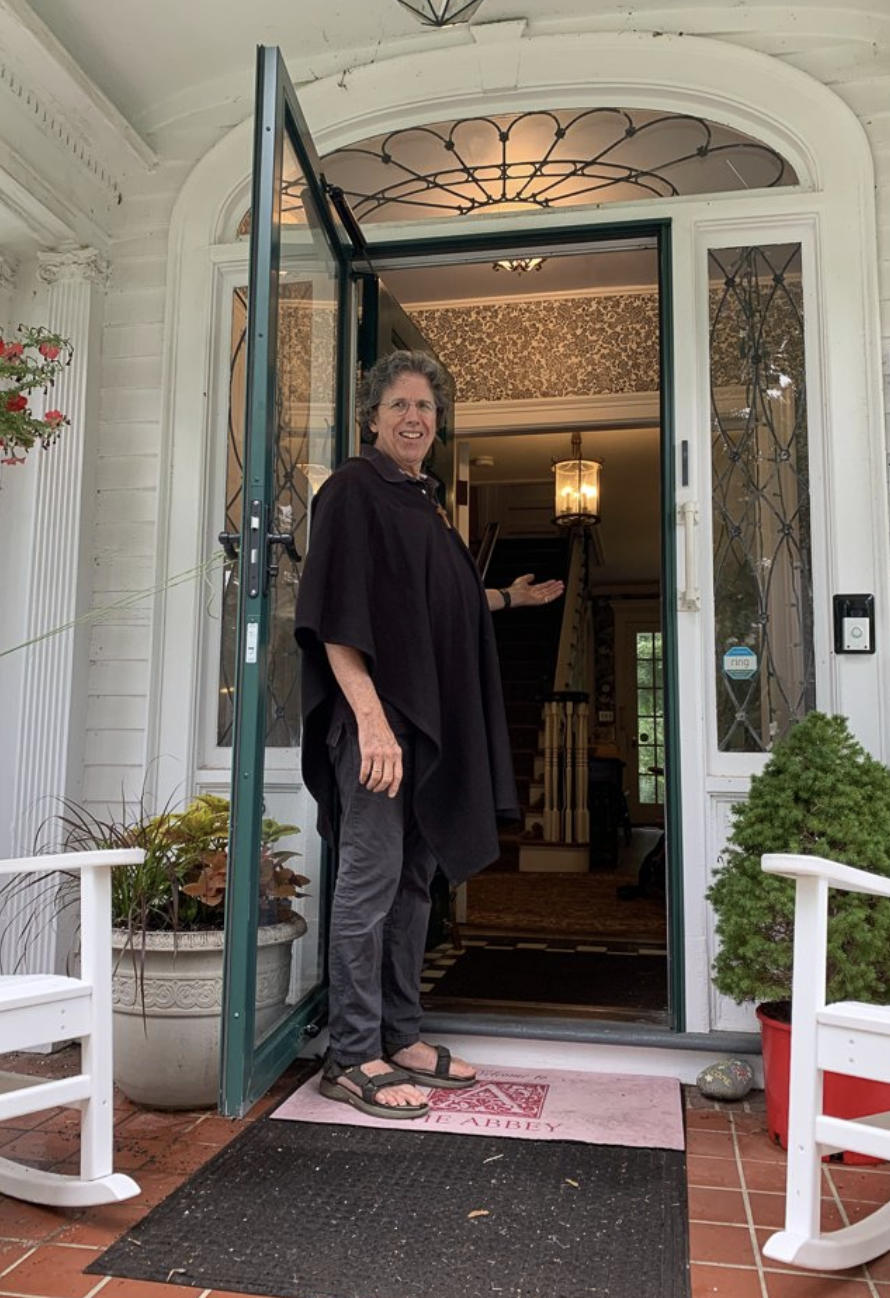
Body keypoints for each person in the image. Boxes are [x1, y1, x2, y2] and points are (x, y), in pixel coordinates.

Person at [295, 350, 564, 1119]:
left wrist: (507, 600)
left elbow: (434, 608)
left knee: (414, 884)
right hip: (378, 727)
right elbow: (334, 617)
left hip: (422, 726)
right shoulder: (353, 490)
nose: (414, 418)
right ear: (372, 417)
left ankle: (400, 1034)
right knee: (370, 883)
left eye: (426, 407)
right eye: (400, 405)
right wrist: (372, 722)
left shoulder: (423, 502)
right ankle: (352, 1055)